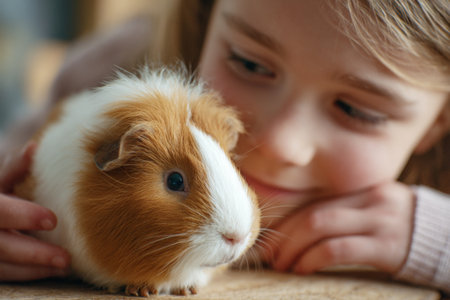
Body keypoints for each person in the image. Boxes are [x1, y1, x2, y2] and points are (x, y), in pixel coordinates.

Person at [0, 0, 449, 294]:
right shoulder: (108, 80)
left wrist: (435, 240)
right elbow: (15, 167)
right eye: (249, 62)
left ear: (440, 120)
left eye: (355, 109)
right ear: (204, 13)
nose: (279, 144)